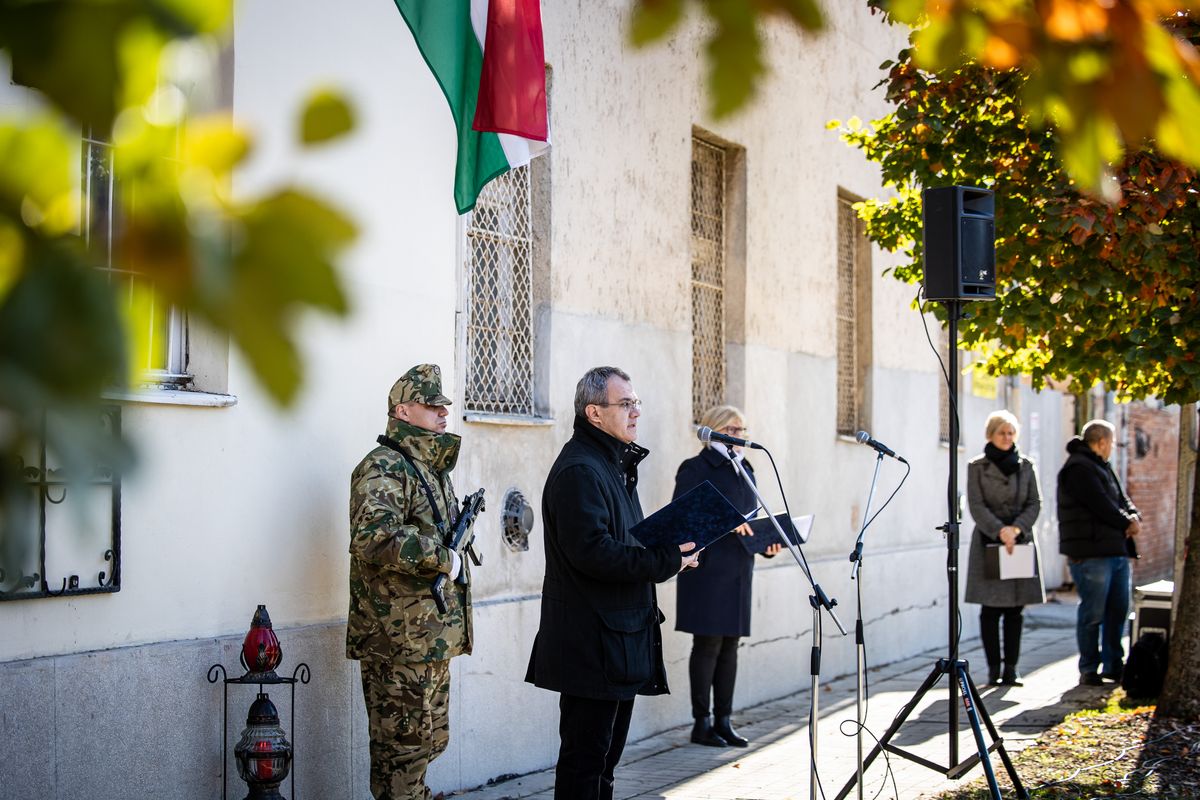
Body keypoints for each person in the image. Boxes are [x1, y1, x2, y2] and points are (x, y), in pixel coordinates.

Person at [525, 366, 699, 800]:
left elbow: (626, 541)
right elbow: (594, 553)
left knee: (603, 767)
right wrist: (664, 560)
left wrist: (672, 548)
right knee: (586, 766)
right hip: (591, 647)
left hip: (617, 641)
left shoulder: (611, 465)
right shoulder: (580, 470)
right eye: (626, 404)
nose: (636, 412)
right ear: (595, 413)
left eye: (636, 402)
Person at [346, 364, 472, 800]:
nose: (442, 414)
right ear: (402, 410)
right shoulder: (383, 466)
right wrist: (443, 558)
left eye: (444, 406)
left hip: (429, 638)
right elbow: (372, 537)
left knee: (429, 742)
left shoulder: (431, 469)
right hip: (396, 639)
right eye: (431, 405)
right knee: (402, 751)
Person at [673, 405, 781, 747]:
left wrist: (766, 544)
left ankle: (724, 719)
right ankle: (701, 723)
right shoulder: (695, 468)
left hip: (738, 569)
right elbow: (681, 516)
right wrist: (725, 520)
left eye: (742, 430)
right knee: (707, 644)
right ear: (715, 430)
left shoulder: (745, 468)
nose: (739, 436)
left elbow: (749, 520)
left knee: (730, 646)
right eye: (733, 430)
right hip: (706, 570)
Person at [1057, 419, 1141, 687]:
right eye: (1113, 442)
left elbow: (1121, 498)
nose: (1114, 447)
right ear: (1102, 442)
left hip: (1115, 550)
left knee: (1118, 610)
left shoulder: (1102, 466)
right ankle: (1089, 668)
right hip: (1091, 553)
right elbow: (1101, 505)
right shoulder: (1079, 468)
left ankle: (1114, 665)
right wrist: (1127, 522)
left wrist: (1134, 515)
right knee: (1093, 613)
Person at [964, 410, 1045, 687]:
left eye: (1011, 433)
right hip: (989, 542)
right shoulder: (977, 467)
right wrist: (1000, 530)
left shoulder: (1026, 466)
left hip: (1019, 543)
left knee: (1014, 609)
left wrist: (1016, 529)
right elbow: (976, 505)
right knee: (990, 610)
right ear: (991, 435)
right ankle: (993, 669)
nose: (1007, 438)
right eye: (1002, 432)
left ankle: (1011, 668)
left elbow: (1035, 502)